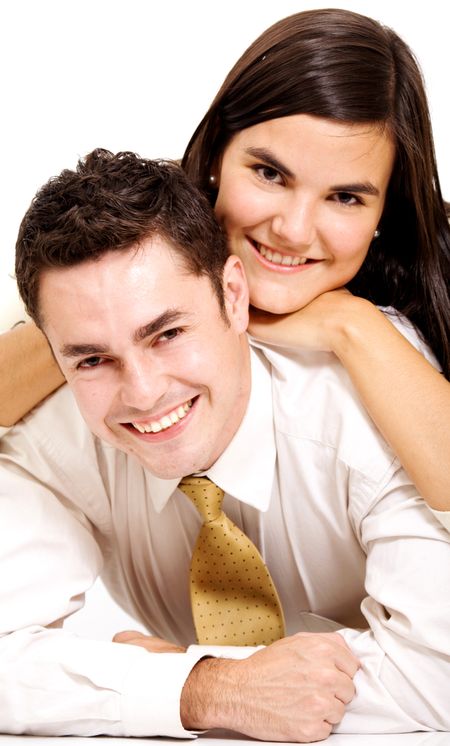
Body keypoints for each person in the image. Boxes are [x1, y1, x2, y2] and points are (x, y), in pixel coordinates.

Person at [1, 147, 449, 740]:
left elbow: (437, 676)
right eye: (92, 359)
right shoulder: (52, 432)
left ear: (234, 295)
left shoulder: (372, 403)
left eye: (167, 333)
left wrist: (151, 678)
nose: (143, 392)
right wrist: (204, 688)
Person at [0, 9, 449, 525]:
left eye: (345, 197)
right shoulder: (146, 244)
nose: (294, 230)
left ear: (383, 214)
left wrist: (353, 327)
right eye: (269, 174)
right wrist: (128, 315)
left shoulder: (401, 315)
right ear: (215, 156)